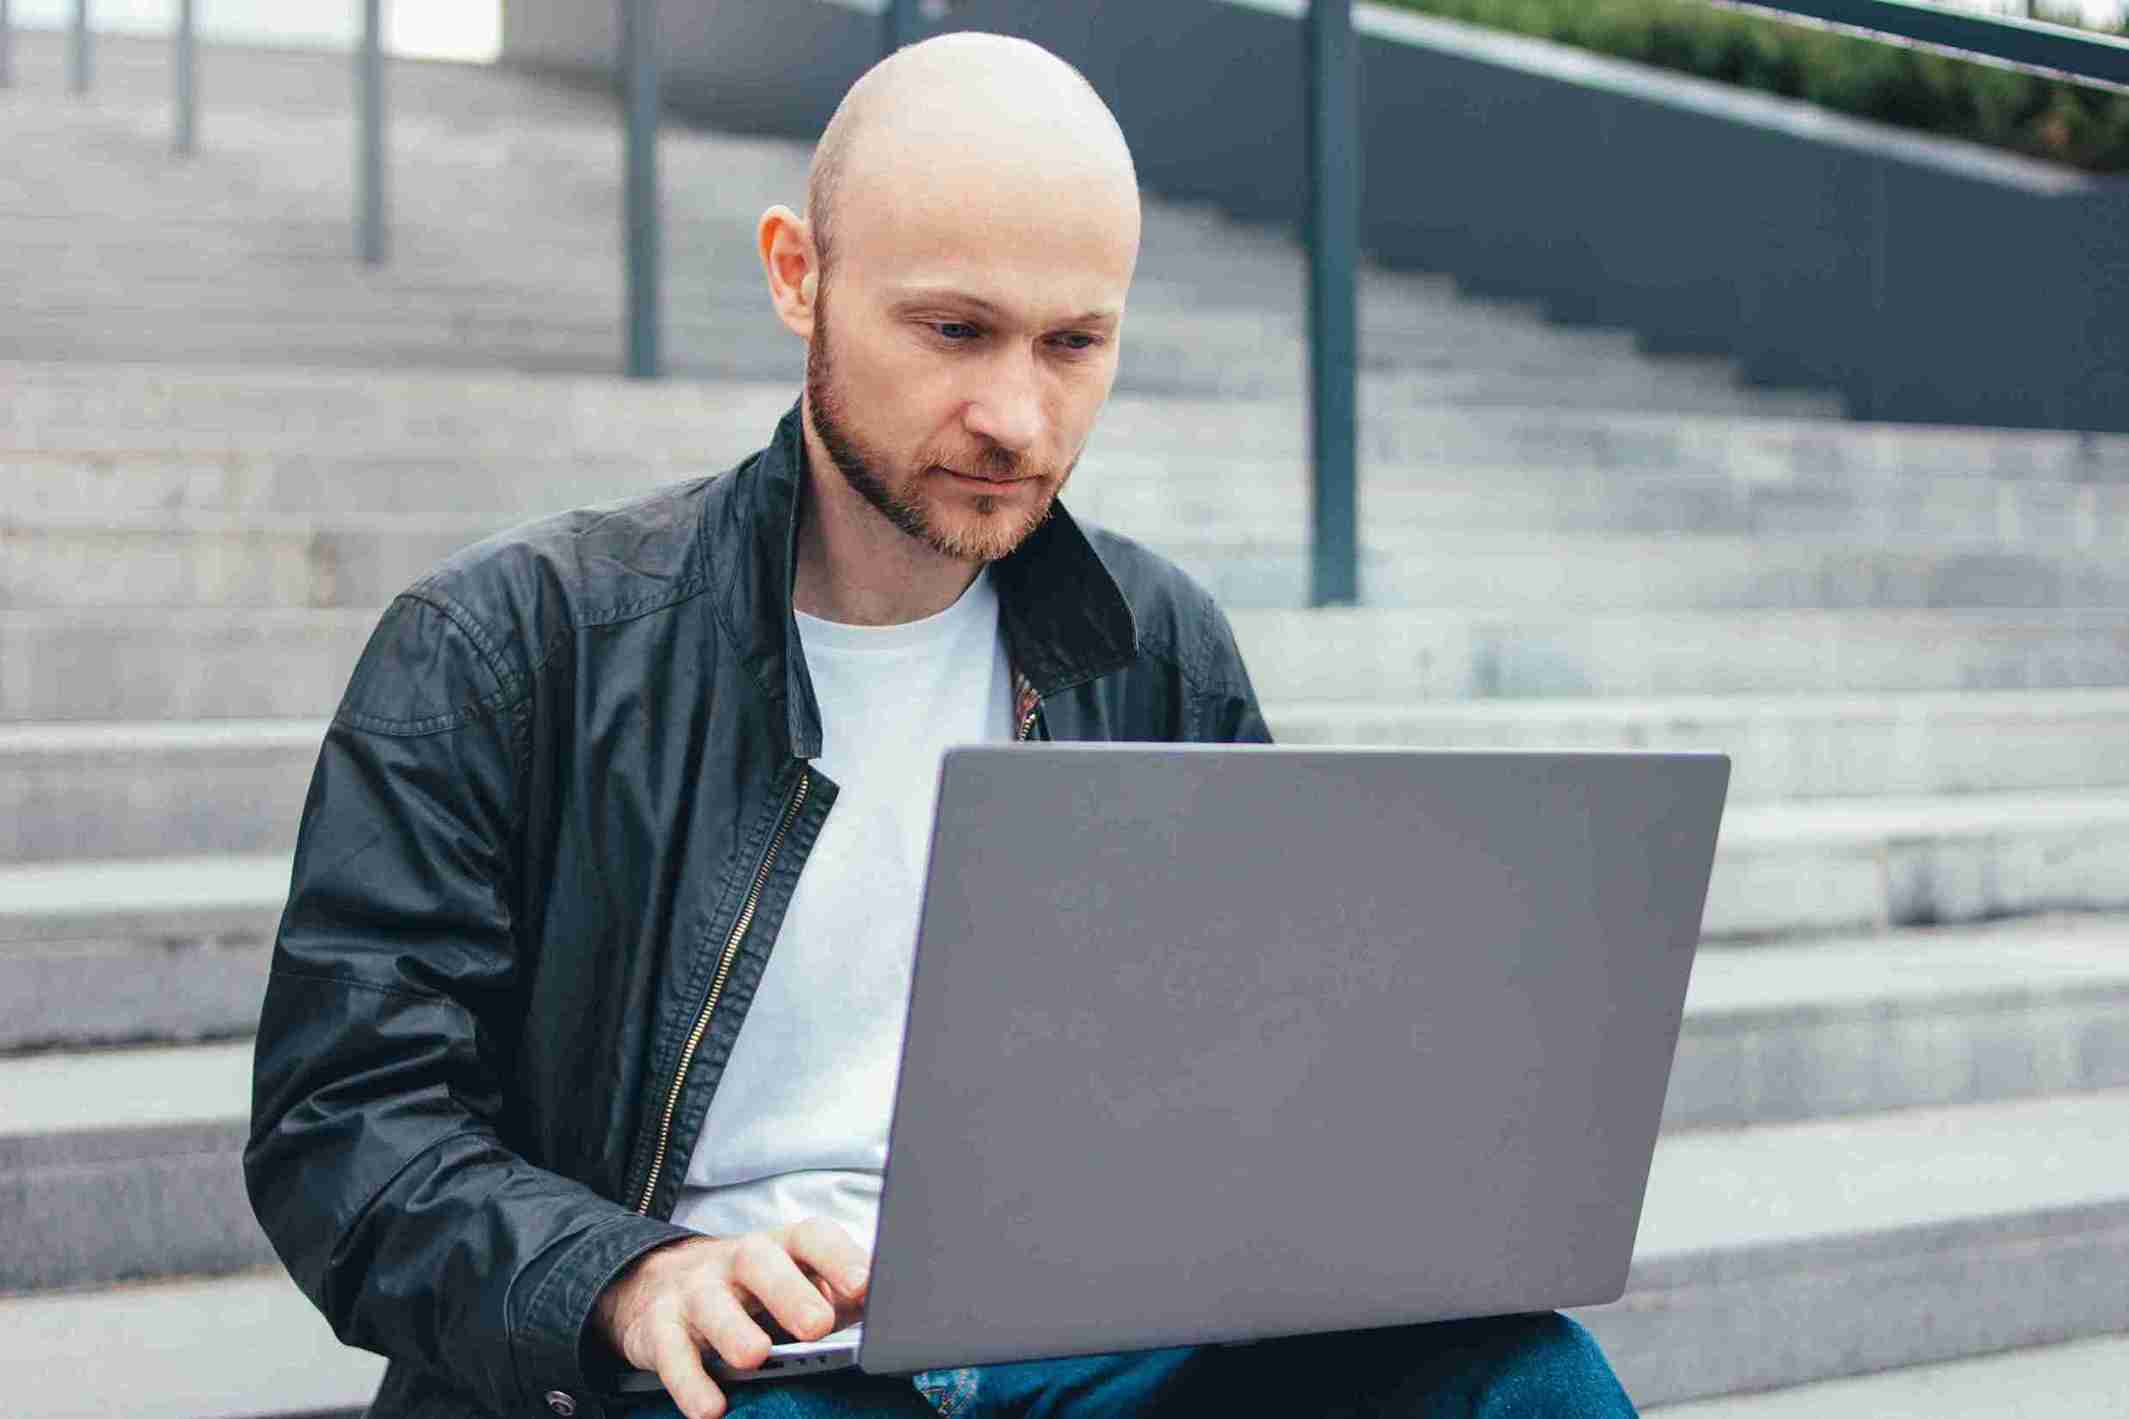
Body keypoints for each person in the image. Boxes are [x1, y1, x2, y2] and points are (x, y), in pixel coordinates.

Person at [244, 31, 1639, 1419]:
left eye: (1073, 344)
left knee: (1524, 1379)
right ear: (799, 275)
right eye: (954, 330)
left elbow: (1252, 1086)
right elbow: (348, 1130)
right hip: (720, 1372)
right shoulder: (504, 650)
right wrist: (630, 1278)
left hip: (1082, 1344)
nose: (1015, 417)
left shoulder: (1157, 650)